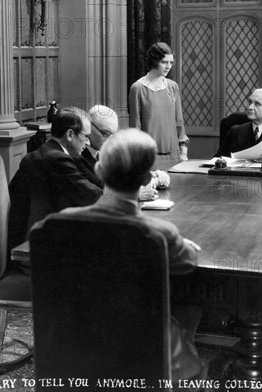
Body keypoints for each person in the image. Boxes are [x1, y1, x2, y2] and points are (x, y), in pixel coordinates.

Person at [34, 128, 207, 382]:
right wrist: (180, 241)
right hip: (141, 360)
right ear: (146, 177)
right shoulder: (159, 234)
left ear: (99, 171)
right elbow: (189, 261)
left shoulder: (51, 227)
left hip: (70, 354)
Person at [8, 108, 103, 246]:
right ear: (70, 134)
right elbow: (92, 196)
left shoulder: (47, 152)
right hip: (33, 244)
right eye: (86, 137)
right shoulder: (56, 159)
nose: (87, 143)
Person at [76, 104, 171, 200]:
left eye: (113, 134)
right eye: (106, 133)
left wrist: (154, 176)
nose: (110, 140)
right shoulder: (77, 155)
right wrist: (132, 195)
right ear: (89, 126)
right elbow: (92, 192)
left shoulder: (108, 151)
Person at [129, 42, 189, 170]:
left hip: (174, 156)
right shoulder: (138, 88)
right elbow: (135, 125)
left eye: (171, 63)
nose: (168, 67)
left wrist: (183, 150)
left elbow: (179, 121)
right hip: (149, 157)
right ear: (154, 61)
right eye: (164, 62)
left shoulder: (173, 86)